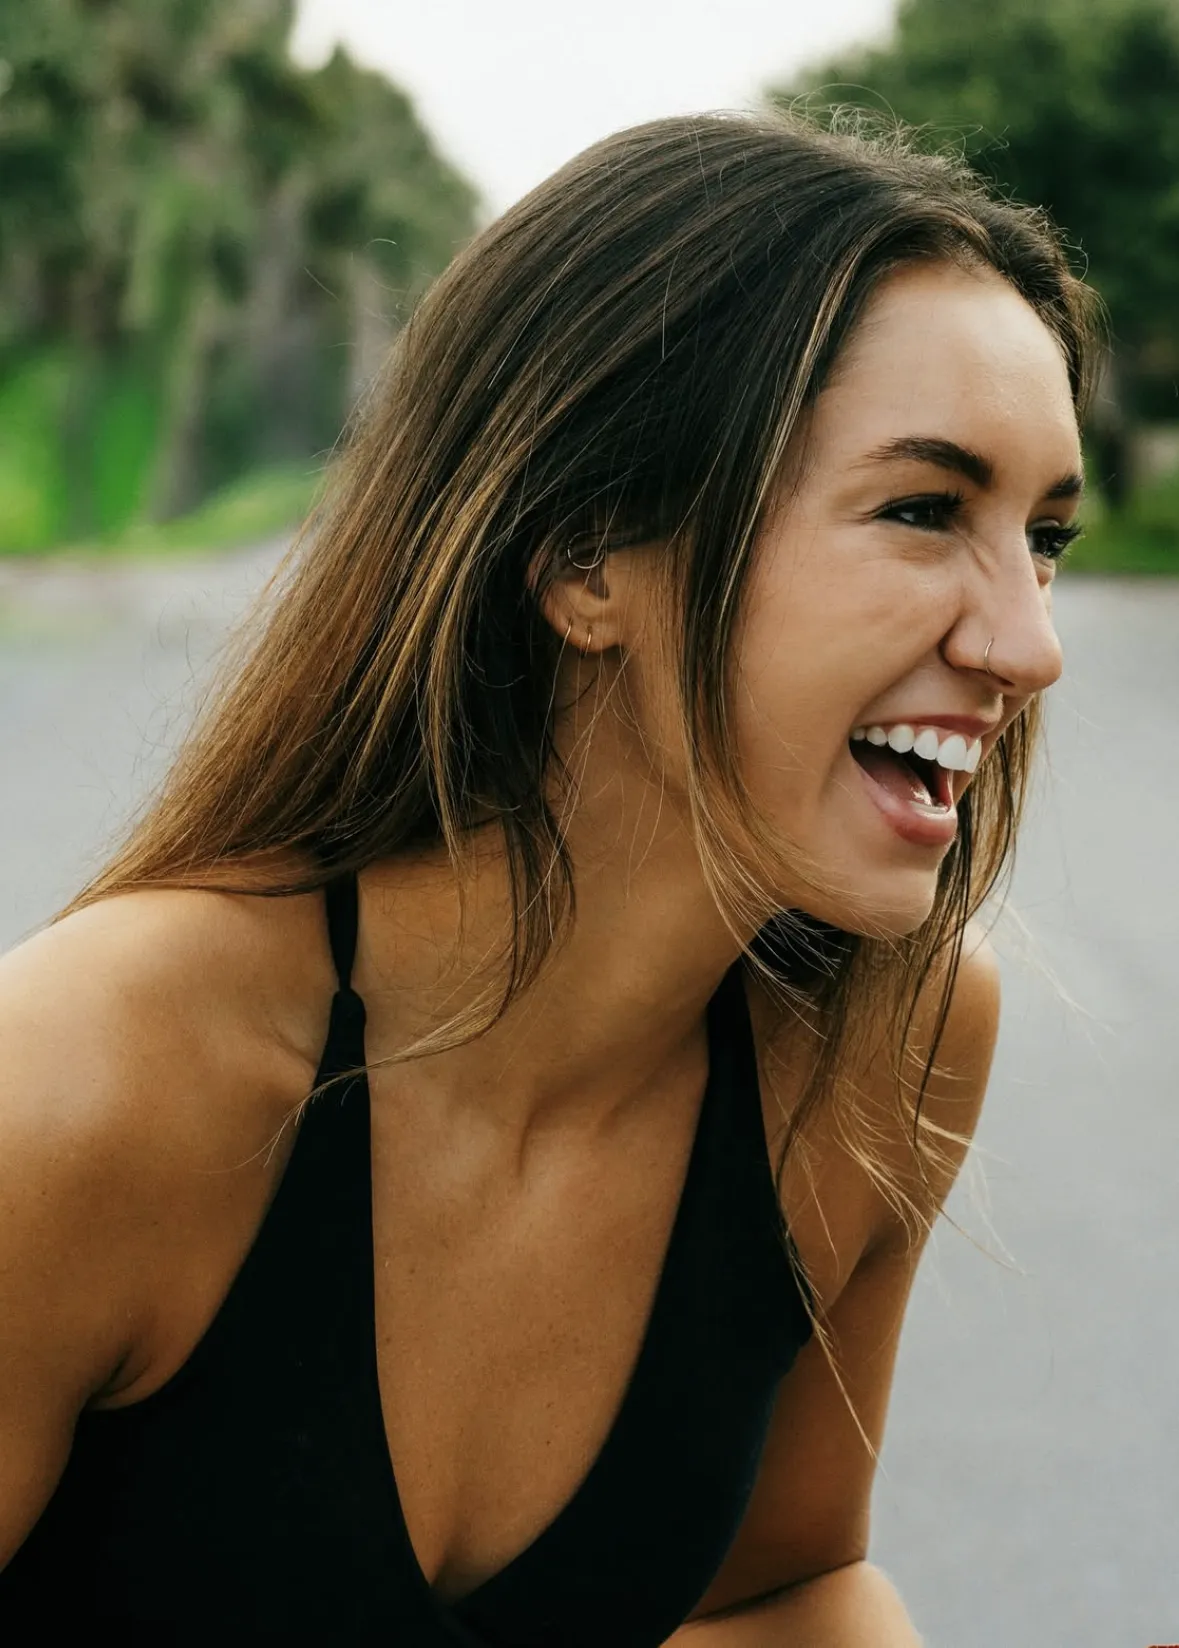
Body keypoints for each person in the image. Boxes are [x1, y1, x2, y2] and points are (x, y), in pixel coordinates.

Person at [0, 110, 1095, 1641]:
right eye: (923, 510)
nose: (1027, 645)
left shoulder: (884, 1039)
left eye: (1041, 536)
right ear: (589, 558)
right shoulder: (83, 1077)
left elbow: (776, 1592)